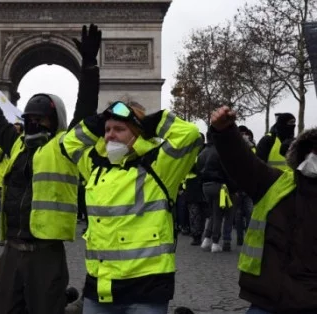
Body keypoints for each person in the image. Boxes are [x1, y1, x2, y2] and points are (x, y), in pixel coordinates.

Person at [0, 24, 102, 314]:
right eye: (29, 119)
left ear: (55, 124)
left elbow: (86, 112)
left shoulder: (65, 147)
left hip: (46, 254)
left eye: (40, 120)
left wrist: (89, 67)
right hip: (12, 250)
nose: (32, 124)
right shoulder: (15, 145)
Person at [61, 100, 201, 313]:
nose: (110, 135)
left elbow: (189, 134)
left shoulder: (160, 165)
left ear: (137, 132)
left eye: (119, 129)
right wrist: (98, 121)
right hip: (101, 286)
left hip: (146, 288)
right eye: (107, 130)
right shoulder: (94, 166)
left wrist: (149, 121)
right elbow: (68, 142)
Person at [210, 106, 317, 314]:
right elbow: (242, 163)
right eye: (313, 150)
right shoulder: (275, 182)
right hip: (269, 299)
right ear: (303, 154)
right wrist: (225, 132)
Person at [197, 130, 235, 253]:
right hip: (219, 185)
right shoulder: (220, 151)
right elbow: (226, 171)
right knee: (218, 214)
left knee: (212, 214)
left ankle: (206, 239)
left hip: (205, 186)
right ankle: (215, 242)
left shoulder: (202, 152)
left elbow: (198, 168)